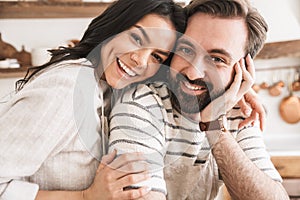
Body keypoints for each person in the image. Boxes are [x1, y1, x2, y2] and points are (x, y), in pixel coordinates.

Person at [0, 0, 186, 199]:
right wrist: (86, 196)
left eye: (156, 57)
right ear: (114, 26)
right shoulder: (68, 89)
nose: (141, 60)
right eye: (137, 39)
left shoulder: (108, 89)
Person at [108, 0, 289, 199]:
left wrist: (213, 125)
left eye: (217, 59)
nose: (193, 73)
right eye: (186, 50)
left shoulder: (237, 111)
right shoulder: (141, 102)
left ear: (242, 70)